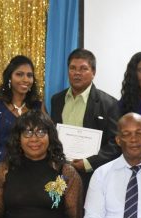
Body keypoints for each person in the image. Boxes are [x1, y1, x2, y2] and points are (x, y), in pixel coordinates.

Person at [50, 48, 121, 189]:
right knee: (57, 208)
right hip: (60, 173)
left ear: (93, 72)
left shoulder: (109, 104)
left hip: (93, 176)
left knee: (86, 211)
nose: (77, 73)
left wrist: (88, 163)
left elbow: (115, 144)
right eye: (72, 68)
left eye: (83, 69)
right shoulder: (57, 100)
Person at [0, 55, 44, 181]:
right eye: (19, 74)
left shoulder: (39, 107)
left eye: (29, 75)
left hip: (32, 173)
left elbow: (46, 142)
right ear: (10, 77)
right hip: (2, 172)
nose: (25, 79)